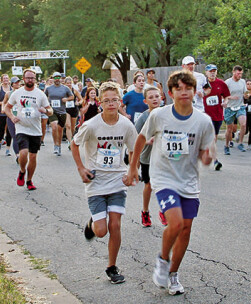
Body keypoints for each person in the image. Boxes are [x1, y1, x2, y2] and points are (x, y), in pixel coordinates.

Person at [130, 69, 215, 295]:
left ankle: (173, 274)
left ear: (195, 92)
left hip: (188, 181)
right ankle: (162, 259)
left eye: (188, 88)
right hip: (163, 177)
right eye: (179, 89)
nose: (184, 92)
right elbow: (140, 138)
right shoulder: (158, 115)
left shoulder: (203, 121)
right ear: (170, 92)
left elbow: (207, 150)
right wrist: (133, 167)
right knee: (175, 223)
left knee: (185, 230)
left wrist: (207, 156)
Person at [72, 81, 138, 284]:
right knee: (101, 231)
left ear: (120, 102)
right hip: (96, 181)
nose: (111, 104)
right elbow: (74, 145)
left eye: (115, 100)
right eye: (107, 100)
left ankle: (112, 267)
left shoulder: (126, 124)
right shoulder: (91, 125)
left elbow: (134, 148)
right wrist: (81, 168)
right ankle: (92, 223)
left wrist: (132, 170)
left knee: (116, 224)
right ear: (100, 102)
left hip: (117, 180)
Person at [4, 69, 53, 190]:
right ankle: (22, 171)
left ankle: (29, 180)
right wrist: (12, 117)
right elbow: (7, 107)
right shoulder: (17, 93)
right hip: (21, 127)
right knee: (24, 153)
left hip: (35, 129)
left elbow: (51, 111)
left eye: (32, 78)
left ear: (35, 79)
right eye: (28, 78)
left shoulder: (40, 94)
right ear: (24, 79)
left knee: (33, 157)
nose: (30, 80)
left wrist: (45, 111)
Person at [134, 86, 166, 227]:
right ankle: (145, 212)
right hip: (147, 156)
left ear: (161, 98)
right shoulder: (144, 117)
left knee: (165, 184)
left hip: (164, 156)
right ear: (145, 101)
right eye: (151, 97)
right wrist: (148, 141)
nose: (154, 99)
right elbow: (134, 137)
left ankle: (163, 210)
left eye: (157, 96)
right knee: (149, 184)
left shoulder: (167, 114)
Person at [203, 64, 230, 170]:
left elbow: (226, 96)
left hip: (217, 114)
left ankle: (209, 152)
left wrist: (226, 102)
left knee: (214, 139)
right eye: (210, 71)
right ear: (206, 72)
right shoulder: (203, 83)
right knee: (212, 138)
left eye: (214, 71)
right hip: (205, 114)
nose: (212, 73)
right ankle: (215, 161)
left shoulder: (221, 83)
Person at [45, 72, 74, 156]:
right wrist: (46, 106)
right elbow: (44, 97)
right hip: (52, 111)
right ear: (53, 79)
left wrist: (66, 99)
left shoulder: (65, 88)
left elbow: (72, 97)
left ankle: (59, 145)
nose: (57, 79)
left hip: (62, 111)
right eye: (55, 77)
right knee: (54, 127)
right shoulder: (49, 88)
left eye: (58, 77)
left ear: (61, 79)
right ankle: (55, 145)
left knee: (60, 129)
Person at [224, 65, 248, 154]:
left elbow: (245, 93)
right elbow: (224, 95)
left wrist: (246, 95)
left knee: (243, 124)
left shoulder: (242, 82)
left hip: (240, 106)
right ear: (233, 72)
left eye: (241, 74)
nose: (240, 75)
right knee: (229, 129)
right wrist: (231, 97)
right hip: (230, 107)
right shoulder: (227, 83)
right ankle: (226, 145)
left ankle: (241, 143)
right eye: (238, 73)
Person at [1, 77, 22, 159]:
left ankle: (22, 153)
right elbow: (4, 102)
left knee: (22, 136)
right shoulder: (8, 94)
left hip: (21, 117)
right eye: (15, 82)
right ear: (12, 84)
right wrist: (3, 108)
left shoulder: (23, 92)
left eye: (18, 82)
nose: (17, 84)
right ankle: (18, 156)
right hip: (11, 117)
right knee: (15, 136)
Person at [64, 76, 83, 150]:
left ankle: (72, 139)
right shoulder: (63, 91)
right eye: (67, 83)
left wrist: (78, 103)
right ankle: (69, 142)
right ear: (64, 84)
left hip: (74, 109)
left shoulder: (74, 91)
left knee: (72, 127)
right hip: (66, 110)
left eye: (70, 83)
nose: (69, 84)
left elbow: (81, 99)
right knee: (68, 125)